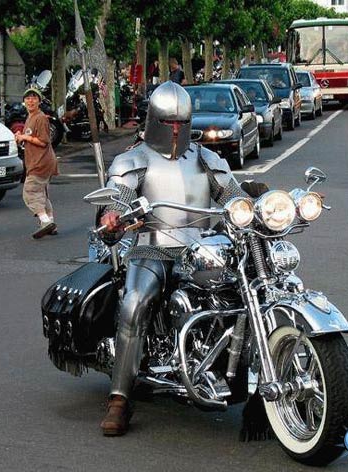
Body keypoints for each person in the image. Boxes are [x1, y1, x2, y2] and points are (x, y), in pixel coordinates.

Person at [98, 81, 247, 436]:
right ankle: (119, 399)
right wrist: (113, 216)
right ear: (154, 121)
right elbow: (117, 199)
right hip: (153, 246)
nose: (176, 130)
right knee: (135, 302)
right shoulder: (133, 159)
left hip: (204, 249)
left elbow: (233, 195)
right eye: (169, 123)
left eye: (182, 122)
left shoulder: (206, 158)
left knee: (246, 289)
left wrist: (253, 205)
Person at [15, 88, 58, 239]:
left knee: (30, 192)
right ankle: (50, 223)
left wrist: (25, 138)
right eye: (28, 98)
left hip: (41, 162)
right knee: (41, 193)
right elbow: (30, 136)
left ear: (39, 101)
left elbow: (44, 141)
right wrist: (21, 136)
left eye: (34, 98)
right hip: (41, 161)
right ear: (24, 101)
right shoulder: (30, 117)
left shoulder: (40, 118)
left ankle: (45, 221)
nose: (30, 101)